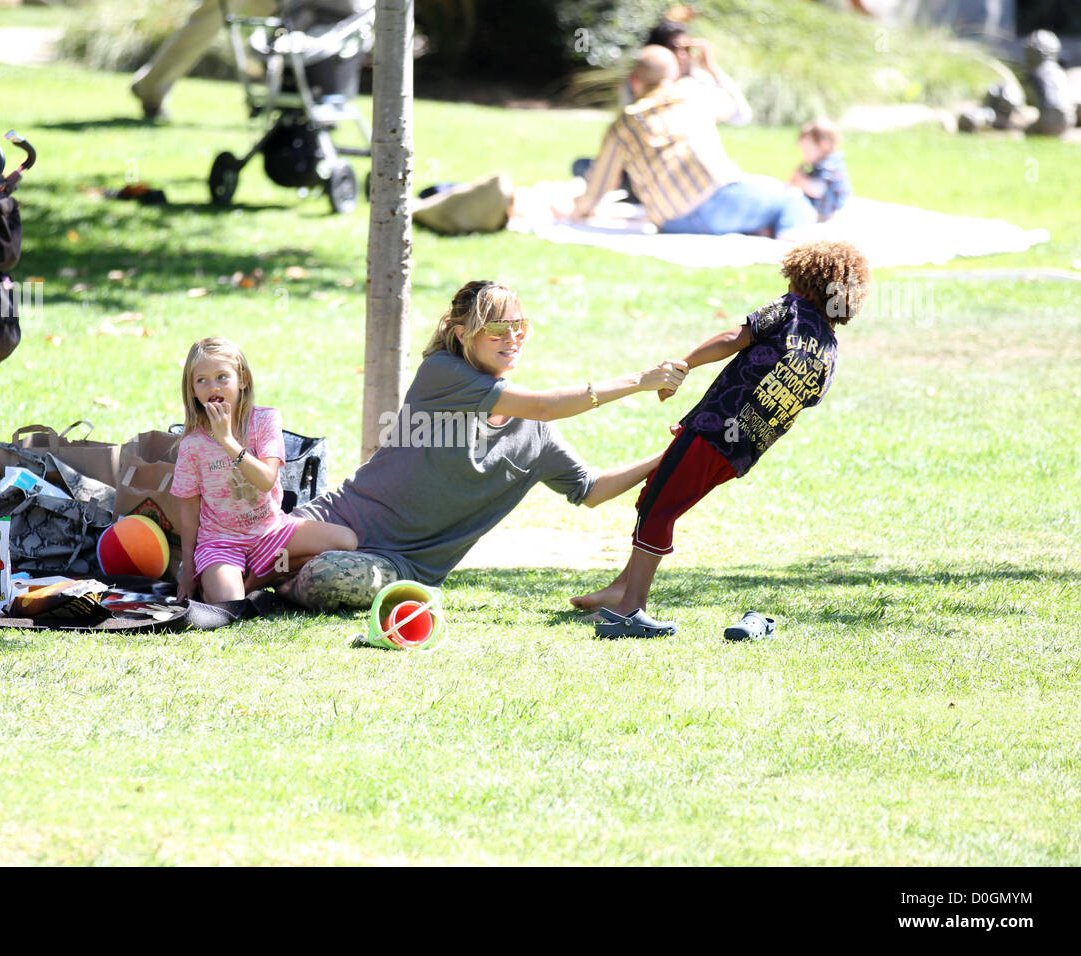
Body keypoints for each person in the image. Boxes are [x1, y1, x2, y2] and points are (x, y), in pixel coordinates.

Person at [284, 280, 691, 610]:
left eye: (520, 327)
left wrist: (670, 455)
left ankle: (277, 584)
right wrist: (640, 380)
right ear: (464, 335)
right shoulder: (441, 374)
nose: (511, 338)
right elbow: (546, 406)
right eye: (497, 329)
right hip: (335, 521)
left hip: (398, 567)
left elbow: (590, 489)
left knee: (327, 577)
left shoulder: (535, 436)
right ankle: (265, 577)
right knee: (267, 546)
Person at [573, 240, 872, 635]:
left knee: (658, 508)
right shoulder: (830, 351)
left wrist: (685, 364)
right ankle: (620, 590)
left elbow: (736, 337)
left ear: (803, 279)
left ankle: (632, 609)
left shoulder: (789, 309)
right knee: (659, 495)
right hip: (740, 451)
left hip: (713, 430)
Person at [173, 336, 358, 603]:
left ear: (243, 380)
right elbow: (188, 509)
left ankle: (263, 577)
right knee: (230, 603)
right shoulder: (192, 444)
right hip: (221, 542)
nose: (213, 386)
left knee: (347, 541)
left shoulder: (265, 420)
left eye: (222, 377)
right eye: (201, 380)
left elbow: (266, 480)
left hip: (271, 533)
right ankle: (232, 578)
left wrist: (227, 441)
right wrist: (189, 569)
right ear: (192, 390)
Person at [570, 46, 815, 238]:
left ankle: (761, 227)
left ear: (635, 81)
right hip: (720, 201)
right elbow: (741, 112)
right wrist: (712, 68)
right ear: (674, 74)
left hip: (672, 221)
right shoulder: (693, 94)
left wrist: (578, 211)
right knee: (793, 199)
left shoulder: (624, 123)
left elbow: (600, 183)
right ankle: (788, 241)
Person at [644, 17, 752, 127]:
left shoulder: (696, 81)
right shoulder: (642, 83)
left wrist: (713, 69)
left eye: (687, 49)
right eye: (675, 48)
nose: (683, 55)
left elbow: (741, 116)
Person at [789, 120, 851, 222]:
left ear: (824, 146)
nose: (804, 156)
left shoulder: (829, 166)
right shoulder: (820, 163)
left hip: (830, 212)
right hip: (823, 207)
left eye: (807, 151)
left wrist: (800, 179)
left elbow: (818, 190)